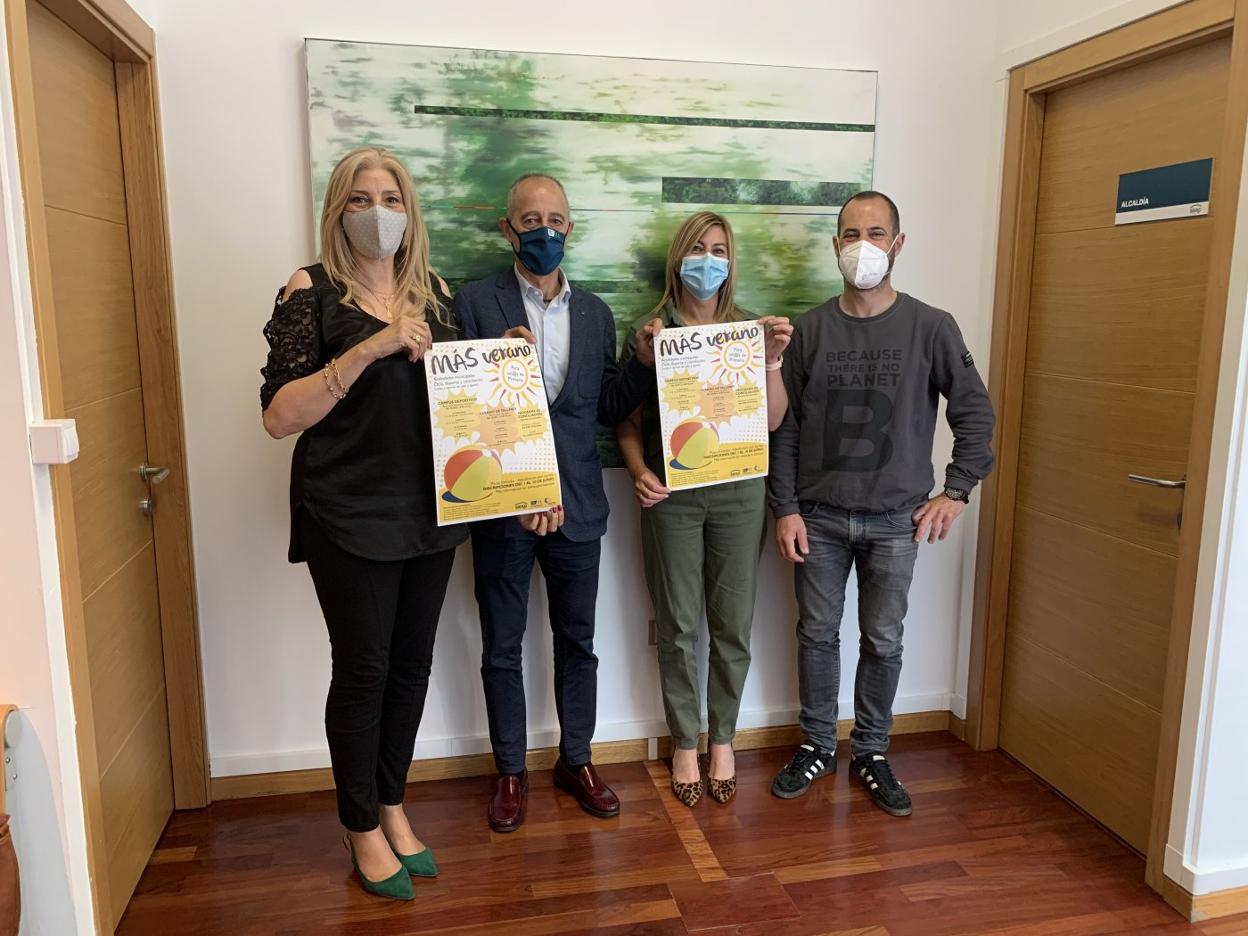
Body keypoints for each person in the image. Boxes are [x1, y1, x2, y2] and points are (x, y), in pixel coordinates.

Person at [260, 147, 462, 900]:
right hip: (345, 513)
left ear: (410, 211)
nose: (379, 213)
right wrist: (373, 346)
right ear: (336, 210)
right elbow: (280, 416)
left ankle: (392, 803)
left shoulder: (436, 294)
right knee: (364, 669)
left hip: (431, 511)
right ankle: (359, 826)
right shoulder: (309, 290)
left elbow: (459, 403)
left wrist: (500, 363)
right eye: (360, 199)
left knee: (411, 667)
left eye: (391, 198)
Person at [768, 190, 995, 817]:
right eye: (850, 234)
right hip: (818, 515)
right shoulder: (809, 331)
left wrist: (956, 491)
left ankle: (870, 750)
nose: (861, 245)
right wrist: (784, 507)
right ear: (834, 244)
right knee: (816, 635)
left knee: (883, 638)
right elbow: (783, 429)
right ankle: (817, 744)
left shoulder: (931, 326)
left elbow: (975, 413)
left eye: (875, 233)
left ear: (898, 243)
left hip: (898, 519)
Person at [452, 173, 661, 832]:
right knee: (501, 645)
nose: (544, 230)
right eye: (530, 219)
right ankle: (510, 772)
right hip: (502, 509)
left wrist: (644, 363)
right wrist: (492, 364)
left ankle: (577, 761)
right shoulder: (472, 303)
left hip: (578, 508)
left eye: (556, 219)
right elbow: (454, 408)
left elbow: (604, 407)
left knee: (579, 643)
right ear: (507, 229)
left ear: (570, 227)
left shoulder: (596, 313)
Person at [616, 211, 792, 807]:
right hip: (672, 494)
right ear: (678, 258)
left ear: (730, 260)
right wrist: (638, 471)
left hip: (741, 490)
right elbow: (626, 421)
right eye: (697, 248)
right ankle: (684, 742)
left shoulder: (748, 330)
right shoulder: (650, 332)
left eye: (718, 249)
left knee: (733, 623)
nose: (708, 260)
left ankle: (723, 740)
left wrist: (770, 359)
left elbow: (772, 420)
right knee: (678, 624)